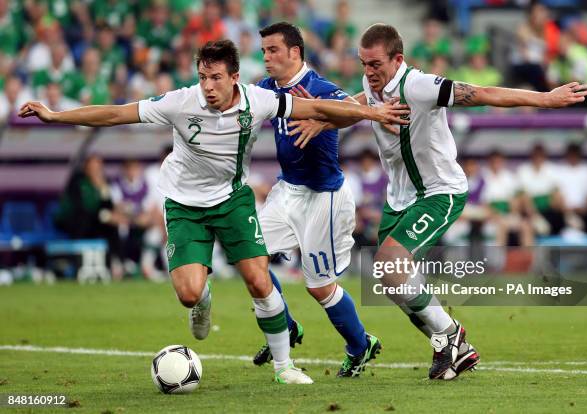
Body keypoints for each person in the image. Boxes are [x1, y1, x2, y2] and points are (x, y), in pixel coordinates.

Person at [18, 39, 408, 385]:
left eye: (216, 77)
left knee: (259, 278)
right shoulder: (179, 102)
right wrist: (56, 116)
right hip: (185, 204)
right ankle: (202, 301)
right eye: (203, 76)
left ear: (234, 78)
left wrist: (373, 114)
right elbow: (115, 113)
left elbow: (317, 106)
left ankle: (284, 365)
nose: (208, 86)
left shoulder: (260, 100)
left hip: (233, 199)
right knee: (189, 294)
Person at [288, 23, 587, 380]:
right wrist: (320, 120)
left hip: (439, 192)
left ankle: (450, 335)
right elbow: (350, 107)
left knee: (391, 264)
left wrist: (545, 98)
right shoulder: (373, 91)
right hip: (398, 200)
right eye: (363, 64)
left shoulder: (418, 85)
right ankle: (452, 347)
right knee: (388, 278)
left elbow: (478, 93)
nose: (368, 73)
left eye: (375, 64)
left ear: (398, 59)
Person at [252, 22, 380, 378]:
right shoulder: (267, 88)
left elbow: (352, 111)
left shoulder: (319, 88)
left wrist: (322, 117)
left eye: (273, 50)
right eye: (263, 51)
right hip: (287, 190)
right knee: (251, 260)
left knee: (319, 287)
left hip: (323, 198)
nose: (266, 57)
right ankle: (285, 326)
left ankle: (360, 346)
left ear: (295, 52)